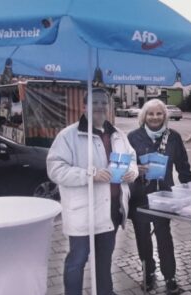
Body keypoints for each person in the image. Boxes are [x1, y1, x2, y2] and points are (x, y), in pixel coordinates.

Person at [46, 88, 138, 295]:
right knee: (77, 260)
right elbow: (55, 169)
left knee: (104, 259)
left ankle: (105, 291)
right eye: (94, 103)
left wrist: (132, 172)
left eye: (103, 103)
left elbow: (131, 158)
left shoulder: (118, 135)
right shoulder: (68, 136)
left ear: (109, 106)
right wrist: (90, 175)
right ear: (84, 106)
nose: (99, 107)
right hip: (84, 212)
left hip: (112, 211)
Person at [127, 99, 191, 294]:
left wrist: (189, 190)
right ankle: (148, 273)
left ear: (165, 116)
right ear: (143, 116)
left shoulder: (173, 137)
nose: (155, 117)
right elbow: (125, 167)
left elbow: (183, 165)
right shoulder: (133, 137)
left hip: (164, 196)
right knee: (142, 237)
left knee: (164, 237)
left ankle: (170, 277)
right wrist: (135, 169)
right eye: (150, 114)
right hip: (140, 195)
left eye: (159, 114)